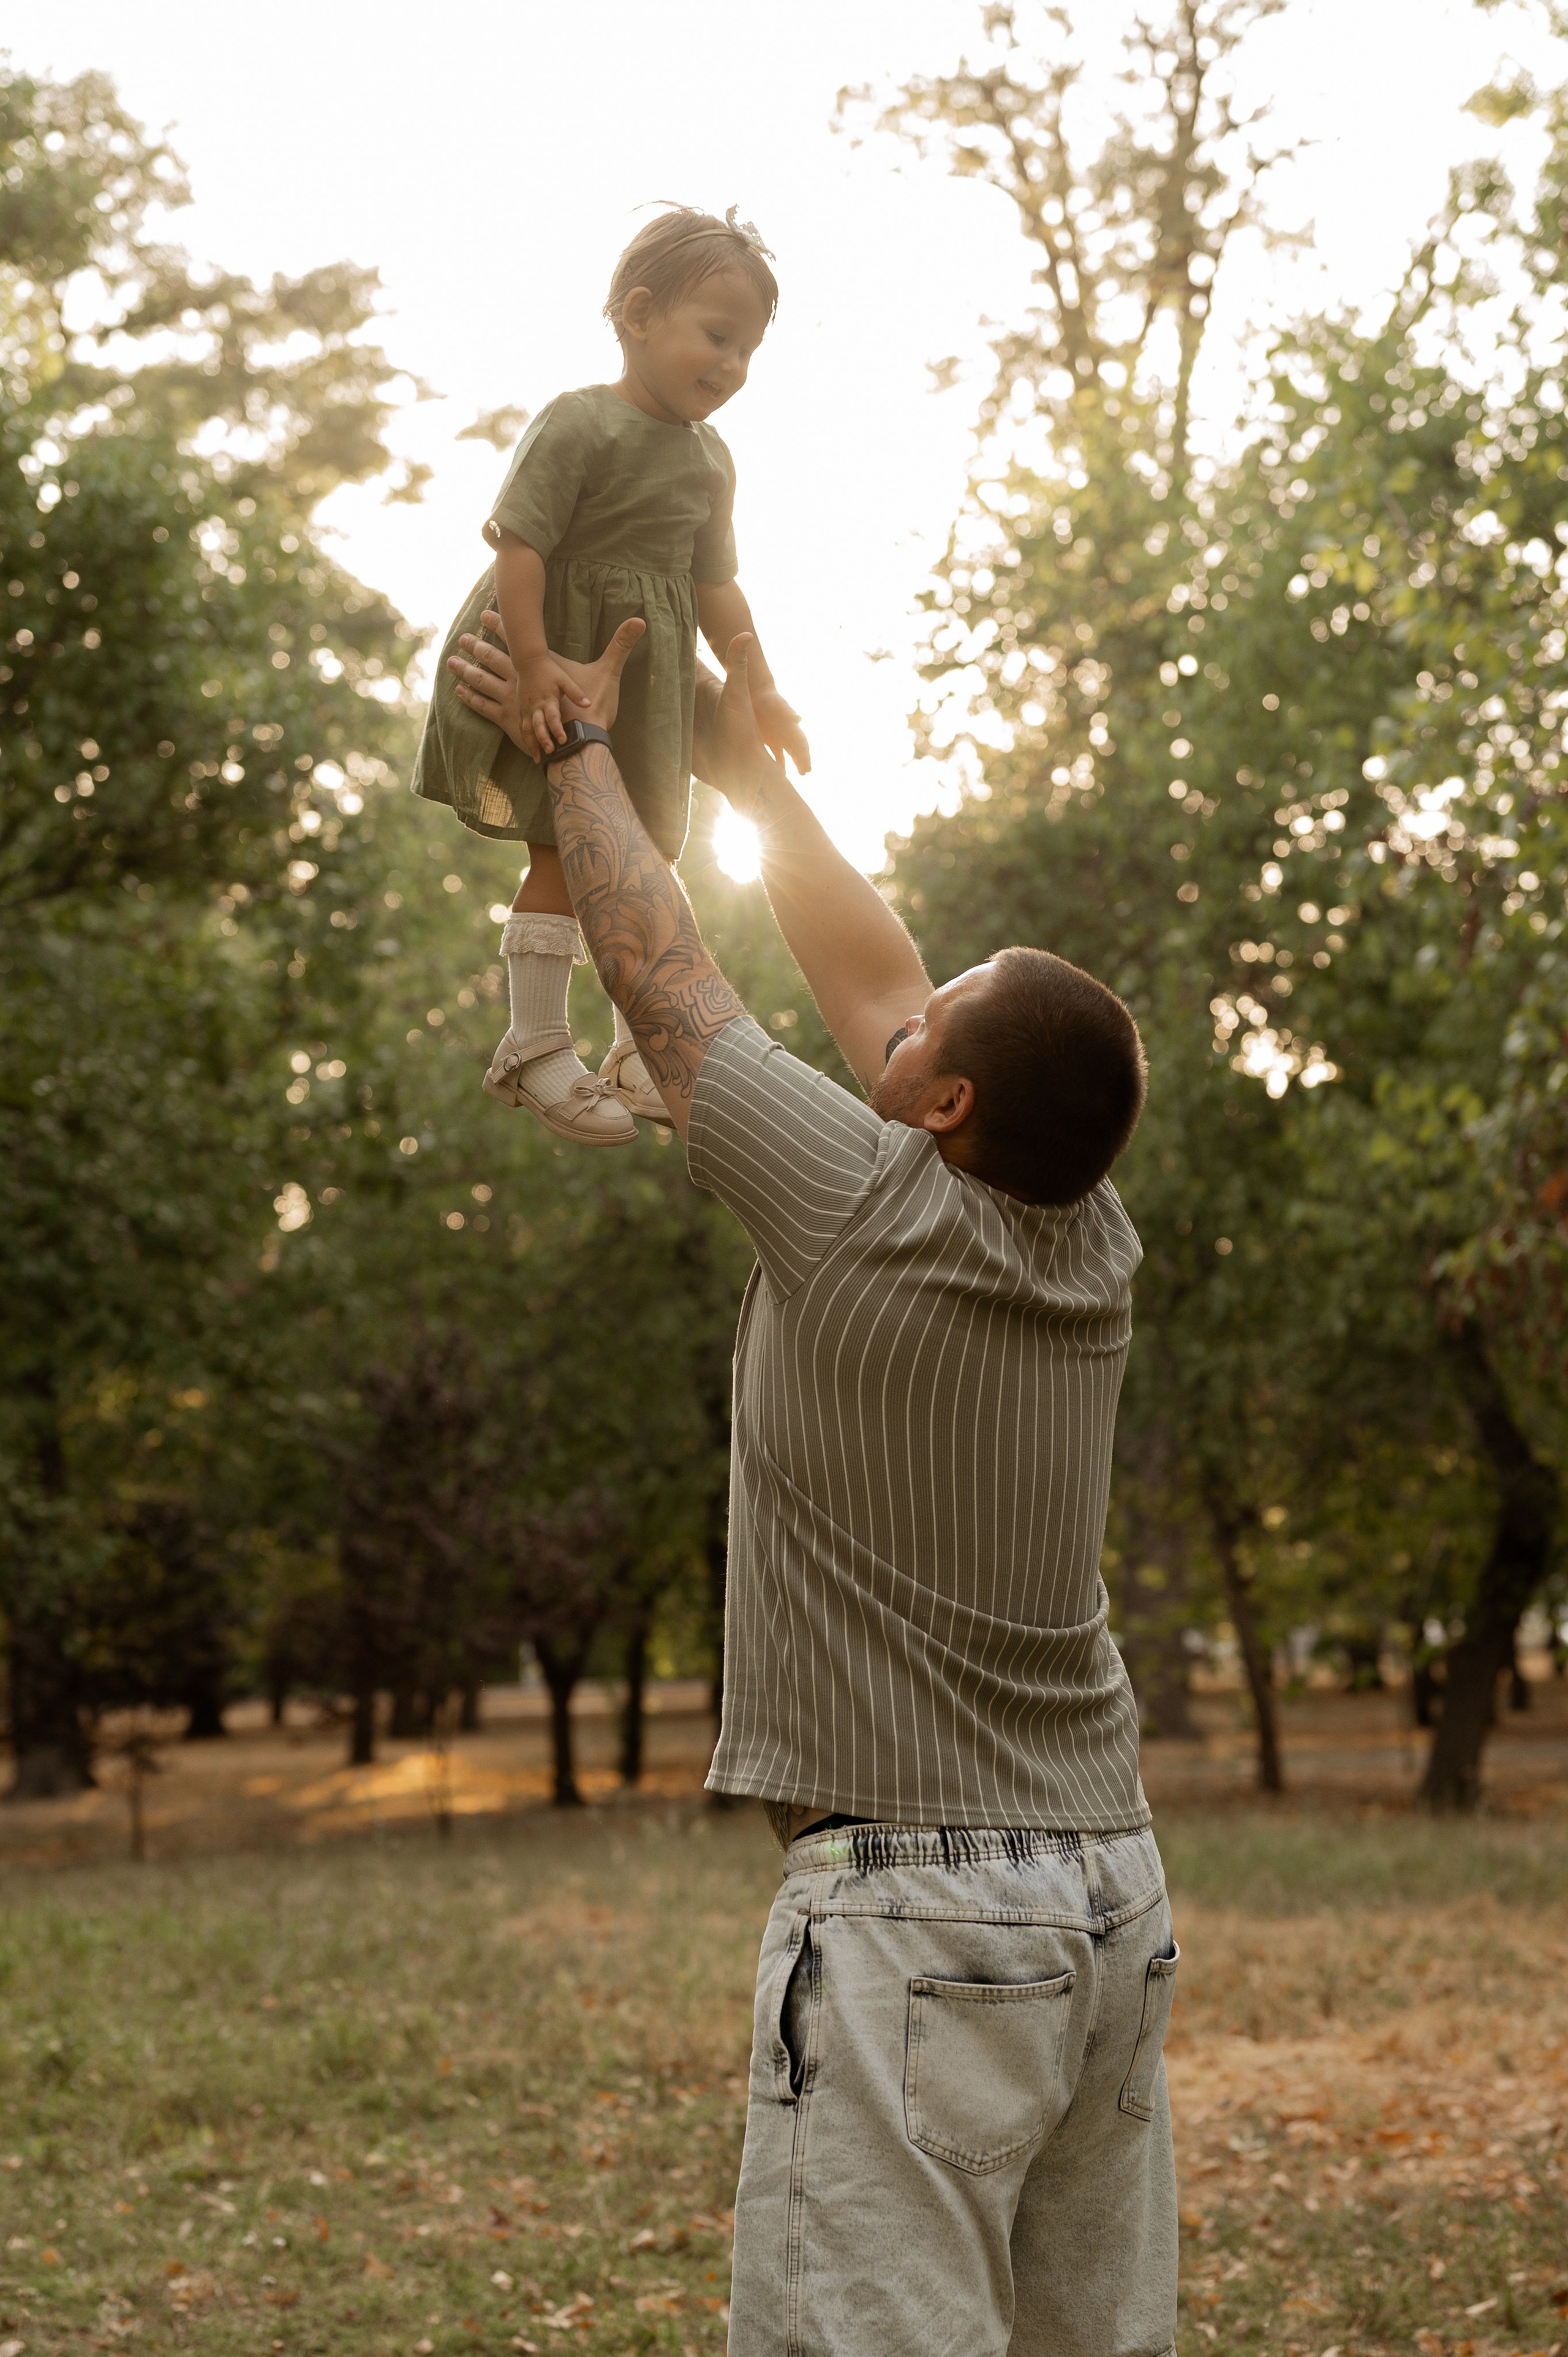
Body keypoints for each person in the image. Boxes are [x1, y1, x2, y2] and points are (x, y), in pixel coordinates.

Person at [449, 623, 1178, 2357]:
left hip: (916, 1908)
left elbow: (663, 973)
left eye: (924, 1033)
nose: (896, 1017)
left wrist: (575, 744)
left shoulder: (854, 1200)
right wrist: (741, 773)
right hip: (1110, 1891)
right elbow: (884, 981)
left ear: (942, 1102)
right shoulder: (1091, 1237)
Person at [412, 204, 807, 1148]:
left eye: (748, 351)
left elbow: (716, 587)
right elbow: (521, 544)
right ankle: (535, 1041)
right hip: (555, 650)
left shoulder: (711, 460)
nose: (732, 366)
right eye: (718, 337)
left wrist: (763, 688)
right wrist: (536, 662)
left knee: (642, 857)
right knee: (564, 850)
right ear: (638, 315)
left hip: (648, 686)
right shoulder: (580, 422)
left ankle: (637, 1050)